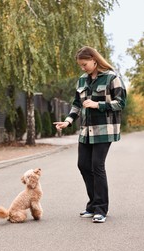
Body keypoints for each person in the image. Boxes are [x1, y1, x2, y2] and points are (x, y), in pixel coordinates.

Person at [53, 46, 126, 223]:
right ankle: (93, 205)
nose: (83, 68)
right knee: (83, 165)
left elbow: (121, 103)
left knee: (97, 166)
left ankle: (101, 209)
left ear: (94, 59)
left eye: (85, 64)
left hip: (104, 130)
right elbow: (77, 105)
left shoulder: (112, 77)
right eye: (81, 65)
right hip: (86, 131)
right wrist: (68, 121)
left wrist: (97, 105)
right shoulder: (82, 80)